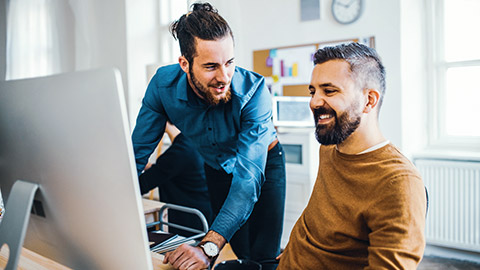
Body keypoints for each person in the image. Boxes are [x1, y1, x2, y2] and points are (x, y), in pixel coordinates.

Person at [131, 2, 286, 270]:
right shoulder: (162, 87)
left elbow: (247, 181)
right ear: (184, 64)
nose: (224, 76)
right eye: (211, 66)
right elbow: (136, 154)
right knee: (241, 251)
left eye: (230, 63)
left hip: (263, 165)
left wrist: (209, 246)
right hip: (215, 167)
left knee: (263, 257)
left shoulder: (254, 93)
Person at [277, 43, 427, 269]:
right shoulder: (330, 147)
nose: (314, 102)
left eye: (329, 91)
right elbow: (319, 218)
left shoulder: (398, 183)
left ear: (369, 100)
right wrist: (293, 250)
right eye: (313, 91)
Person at [138, 122, 213, 236]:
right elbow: (173, 170)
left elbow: (142, 184)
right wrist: (150, 167)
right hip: (205, 217)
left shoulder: (181, 151)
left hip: (190, 225)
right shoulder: (195, 143)